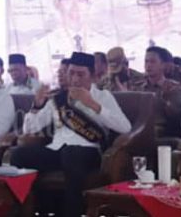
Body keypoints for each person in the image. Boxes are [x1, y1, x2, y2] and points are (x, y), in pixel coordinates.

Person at [12, 52, 132, 217]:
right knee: (18, 155)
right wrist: (37, 106)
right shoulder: (58, 98)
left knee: (71, 154)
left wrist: (93, 104)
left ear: (92, 76)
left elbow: (125, 127)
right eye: (71, 73)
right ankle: (30, 210)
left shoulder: (102, 96)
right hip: (57, 150)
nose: (75, 79)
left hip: (88, 152)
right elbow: (29, 129)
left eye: (80, 74)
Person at [30, 0, 112, 62]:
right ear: (57, 4)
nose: (75, 6)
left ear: (89, 5)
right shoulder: (43, 46)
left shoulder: (105, 44)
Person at [132, 46, 181, 138]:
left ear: (163, 65)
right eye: (146, 61)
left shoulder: (172, 87)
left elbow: (176, 116)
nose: (148, 65)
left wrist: (164, 99)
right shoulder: (138, 87)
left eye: (152, 62)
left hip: (161, 130)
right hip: (137, 127)